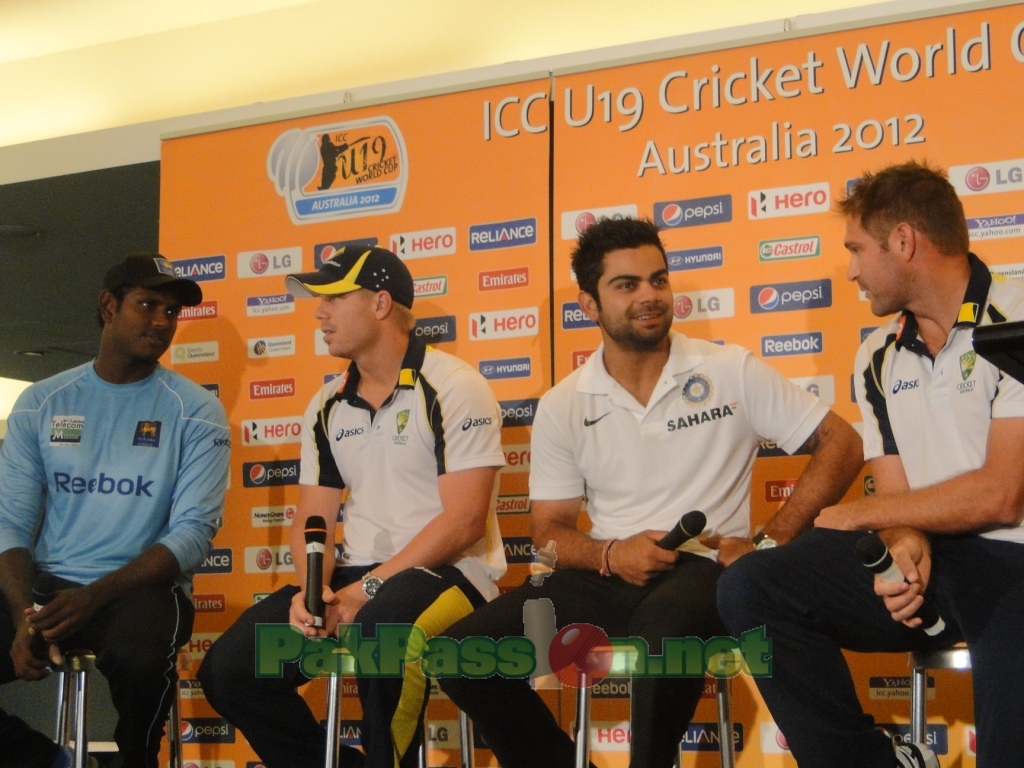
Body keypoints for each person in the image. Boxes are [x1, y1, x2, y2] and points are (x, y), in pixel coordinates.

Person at [438, 216, 863, 768]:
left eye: (658, 280)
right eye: (627, 285)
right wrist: (610, 554)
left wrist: (768, 546)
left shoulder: (728, 369)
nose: (650, 296)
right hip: (605, 573)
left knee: (662, 636)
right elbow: (546, 534)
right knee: (461, 655)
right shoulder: (566, 402)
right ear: (589, 305)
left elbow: (842, 443)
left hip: (701, 570)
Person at [719, 160, 1024, 768]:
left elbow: (1001, 496)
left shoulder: (1016, 316)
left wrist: (863, 513)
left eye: (857, 249)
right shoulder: (876, 355)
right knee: (754, 584)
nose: (852, 270)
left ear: (905, 242)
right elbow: (897, 494)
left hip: (1015, 560)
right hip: (935, 563)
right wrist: (902, 539)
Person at [197, 245, 506, 768]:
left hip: (452, 574)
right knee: (228, 671)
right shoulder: (326, 403)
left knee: (379, 629)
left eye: (333, 298)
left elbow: (463, 522)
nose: (318, 312)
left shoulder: (455, 386)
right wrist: (313, 585)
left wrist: (366, 591)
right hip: (357, 578)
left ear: (382, 303)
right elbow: (310, 520)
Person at [0, 253, 230, 768]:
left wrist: (94, 595)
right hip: (46, 588)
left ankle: (137, 760)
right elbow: (10, 522)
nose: (161, 322)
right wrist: (23, 616)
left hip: (139, 590)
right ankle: (43, 760)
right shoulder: (42, 402)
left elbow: (193, 534)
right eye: (148, 305)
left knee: (142, 655)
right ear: (109, 306)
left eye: (171, 312)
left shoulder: (194, 410)